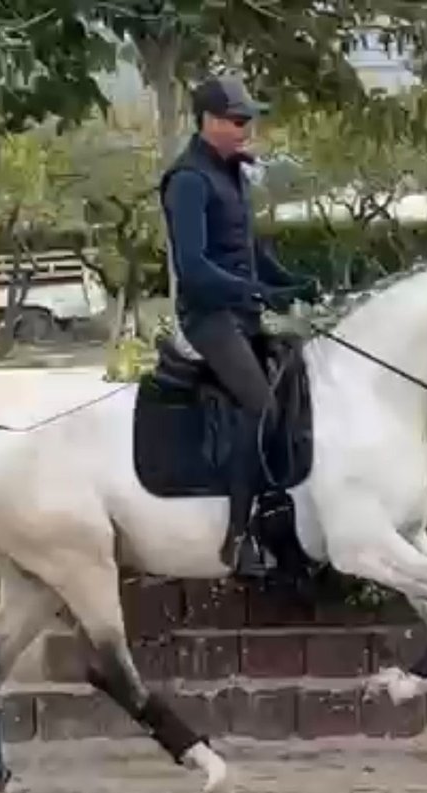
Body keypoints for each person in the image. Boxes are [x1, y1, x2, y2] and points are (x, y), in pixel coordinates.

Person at [159, 74, 320, 573]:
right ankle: (238, 535)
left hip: (241, 313)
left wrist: (292, 283)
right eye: (236, 120)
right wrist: (258, 293)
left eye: (248, 119)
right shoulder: (188, 180)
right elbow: (193, 267)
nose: (246, 128)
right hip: (207, 317)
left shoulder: (230, 173)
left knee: (299, 384)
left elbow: (247, 250)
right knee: (261, 406)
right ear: (207, 121)